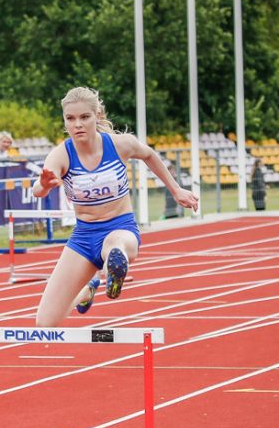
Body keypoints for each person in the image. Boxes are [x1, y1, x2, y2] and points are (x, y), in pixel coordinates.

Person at [32, 86, 198, 328]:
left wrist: (176, 189)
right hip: (83, 236)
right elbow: (38, 188)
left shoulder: (120, 144)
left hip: (120, 227)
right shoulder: (62, 155)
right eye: (70, 118)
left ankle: (114, 267)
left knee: (116, 247)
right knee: (45, 324)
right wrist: (44, 185)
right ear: (65, 121)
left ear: (97, 116)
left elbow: (149, 155)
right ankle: (87, 290)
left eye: (84, 117)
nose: (77, 124)